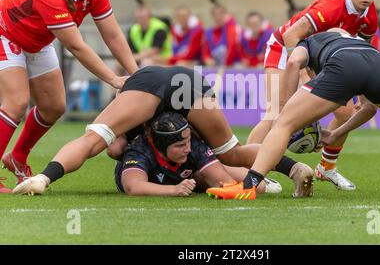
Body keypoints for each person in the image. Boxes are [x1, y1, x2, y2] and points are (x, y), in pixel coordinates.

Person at [206, 28, 380, 200]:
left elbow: (294, 61)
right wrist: (336, 134)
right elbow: (369, 108)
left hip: (344, 64)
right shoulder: (362, 42)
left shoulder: (310, 41)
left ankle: (248, 185)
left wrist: (284, 108)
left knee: (283, 124)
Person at [13, 65, 314, 196]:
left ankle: (43, 178)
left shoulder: (128, 127)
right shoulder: (140, 125)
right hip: (187, 80)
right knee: (232, 152)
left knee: (96, 141)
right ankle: (294, 169)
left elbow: (104, 146)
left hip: (149, 83)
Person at [0, 0, 138, 192]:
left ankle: (17, 157)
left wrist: (135, 74)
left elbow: (114, 35)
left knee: (54, 107)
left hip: (37, 40)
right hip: (6, 35)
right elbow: (77, 47)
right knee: (17, 102)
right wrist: (115, 80)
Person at [247, 0, 380, 191]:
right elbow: (291, 36)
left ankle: (326, 167)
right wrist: (303, 75)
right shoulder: (330, 7)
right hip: (285, 49)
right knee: (276, 113)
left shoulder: (369, 16)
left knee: (348, 112)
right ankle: (248, 171)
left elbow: (361, 52)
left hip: (320, 58)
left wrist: (361, 95)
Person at [114, 111, 281, 196]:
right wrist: (174, 190)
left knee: (257, 188)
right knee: (114, 149)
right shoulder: (139, 150)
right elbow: (133, 186)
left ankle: (261, 176)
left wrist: (241, 187)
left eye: (187, 142)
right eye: (180, 145)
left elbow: (227, 184)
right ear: (160, 146)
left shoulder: (192, 145)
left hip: (189, 174)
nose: (187, 148)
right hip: (175, 180)